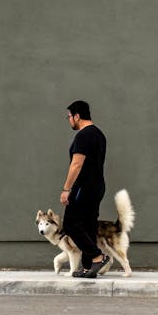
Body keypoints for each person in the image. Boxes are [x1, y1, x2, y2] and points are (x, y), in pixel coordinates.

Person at [59, 100, 110, 278]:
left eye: (69, 117)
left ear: (77, 116)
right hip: (98, 186)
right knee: (88, 225)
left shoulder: (83, 135)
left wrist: (66, 189)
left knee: (70, 224)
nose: (69, 120)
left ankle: (97, 257)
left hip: (84, 187)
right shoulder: (99, 134)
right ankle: (89, 268)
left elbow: (77, 164)